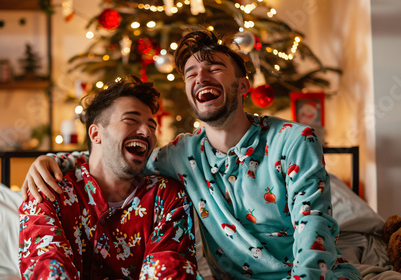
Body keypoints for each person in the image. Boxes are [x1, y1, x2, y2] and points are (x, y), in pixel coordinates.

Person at [22, 30, 362, 279]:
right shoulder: (183, 154)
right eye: (190, 73)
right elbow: (113, 162)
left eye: (214, 68)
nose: (201, 76)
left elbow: (314, 228)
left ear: (243, 86)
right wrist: (57, 161)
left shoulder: (294, 140)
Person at [18, 75, 200, 280]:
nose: (146, 132)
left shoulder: (167, 196)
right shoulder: (49, 190)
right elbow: (46, 265)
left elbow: (169, 266)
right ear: (96, 135)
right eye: (131, 120)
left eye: (151, 126)